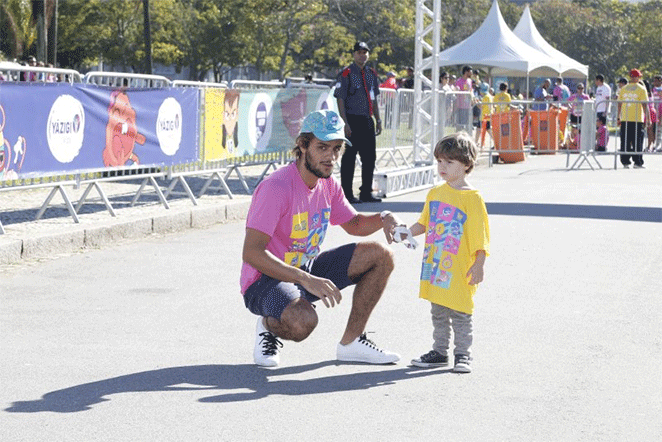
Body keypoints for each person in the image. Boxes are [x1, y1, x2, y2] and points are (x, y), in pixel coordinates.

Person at [241, 109, 401, 368]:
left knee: (380, 256)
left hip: (303, 271)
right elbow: (252, 253)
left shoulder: (328, 184)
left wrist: (384, 218)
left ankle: (352, 343)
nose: (331, 157)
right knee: (303, 322)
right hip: (264, 281)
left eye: (337, 149)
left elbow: (355, 224)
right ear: (303, 145)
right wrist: (305, 279)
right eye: (323, 147)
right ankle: (267, 325)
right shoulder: (277, 188)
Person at [396, 132, 489, 373]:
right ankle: (439, 352)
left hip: (458, 268)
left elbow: (481, 237)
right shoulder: (435, 194)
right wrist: (407, 232)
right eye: (439, 161)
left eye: (449, 162)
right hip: (436, 265)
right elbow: (424, 223)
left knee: (460, 312)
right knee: (438, 312)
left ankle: (463, 355)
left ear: (466, 164)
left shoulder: (473, 199)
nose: (442, 167)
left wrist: (479, 263)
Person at [334, 41, 383, 204]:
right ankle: (347, 194)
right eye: (359, 52)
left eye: (365, 52)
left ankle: (366, 192)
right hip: (352, 120)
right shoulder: (346, 73)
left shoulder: (371, 74)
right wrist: (345, 123)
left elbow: (374, 99)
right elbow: (340, 98)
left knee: (370, 158)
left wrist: (378, 118)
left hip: (367, 120)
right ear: (354, 54)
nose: (362, 55)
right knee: (349, 158)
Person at [617, 69, 650, 169]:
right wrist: (647, 118)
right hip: (637, 119)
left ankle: (625, 161)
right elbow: (645, 105)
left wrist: (619, 116)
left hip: (625, 118)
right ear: (637, 77)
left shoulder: (623, 88)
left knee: (625, 140)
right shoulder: (641, 89)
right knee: (637, 141)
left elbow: (619, 104)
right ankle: (637, 162)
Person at [454, 65, 474, 132]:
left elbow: (471, 91)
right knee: (460, 125)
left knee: (468, 125)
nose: (471, 73)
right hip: (461, 106)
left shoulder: (469, 81)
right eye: (470, 71)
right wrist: (457, 89)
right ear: (466, 72)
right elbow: (456, 89)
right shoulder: (459, 81)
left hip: (468, 106)